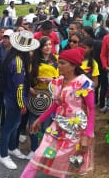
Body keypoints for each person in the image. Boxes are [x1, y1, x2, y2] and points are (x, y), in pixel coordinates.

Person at [23, 48, 95, 178]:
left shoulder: (84, 83)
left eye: (62, 63)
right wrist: (40, 120)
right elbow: (56, 104)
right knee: (40, 155)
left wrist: (87, 135)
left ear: (73, 66)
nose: (58, 66)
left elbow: (91, 109)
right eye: (59, 62)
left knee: (64, 164)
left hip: (75, 132)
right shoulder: (59, 82)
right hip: (56, 128)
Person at [0, 30, 38, 170]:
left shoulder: (13, 58)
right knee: (9, 127)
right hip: (15, 100)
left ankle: (12, 147)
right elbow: (19, 87)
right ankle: (3, 155)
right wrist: (22, 104)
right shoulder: (18, 63)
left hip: (11, 97)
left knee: (15, 124)